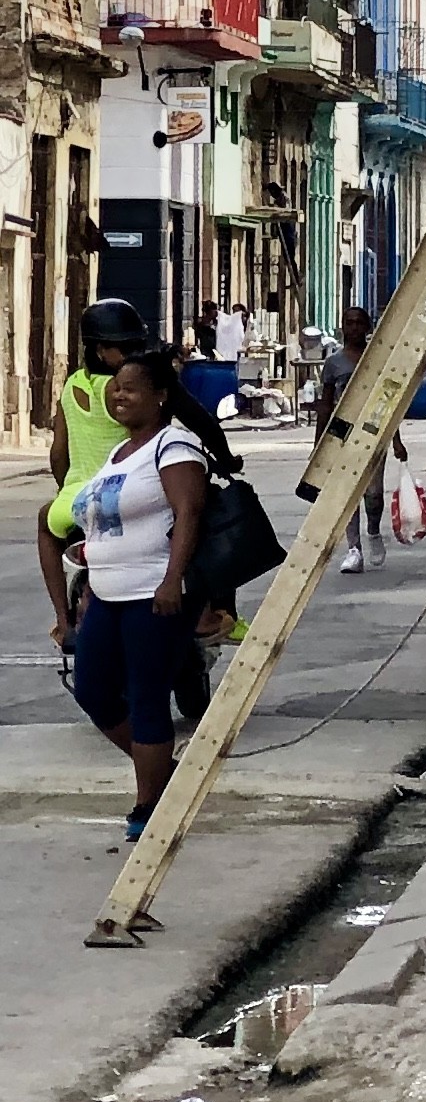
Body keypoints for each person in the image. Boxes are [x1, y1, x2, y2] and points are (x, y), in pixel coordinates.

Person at [64, 347, 219, 843]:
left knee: (149, 697)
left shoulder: (174, 446)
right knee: (92, 689)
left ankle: (148, 804)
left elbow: (188, 512)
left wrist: (173, 579)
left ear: (160, 397)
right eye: (116, 390)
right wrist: (89, 585)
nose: (119, 396)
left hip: (153, 593)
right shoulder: (119, 453)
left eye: (130, 389)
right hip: (107, 594)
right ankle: (164, 775)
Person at [36, 296, 149, 647]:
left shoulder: (71, 387)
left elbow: (59, 453)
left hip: (77, 498)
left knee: (45, 523)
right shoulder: (125, 389)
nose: (133, 354)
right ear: (101, 350)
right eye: (125, 347)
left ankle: (63, 621)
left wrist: (66, 489)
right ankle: (208, 616)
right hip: (125, 495)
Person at [314, 306, 411, 575]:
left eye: (359, 323)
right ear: (342, 327)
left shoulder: (377, 360)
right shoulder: (334, 363)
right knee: (348, 494)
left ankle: (373, 532)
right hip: (343, 435)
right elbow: (325, 404)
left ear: (368, 328)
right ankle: (353, 549)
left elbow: (388, 402)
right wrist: (319, 444)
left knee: (373, 494)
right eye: (349, 323)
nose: (354, 328)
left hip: (373, 433)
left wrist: (396, 440)